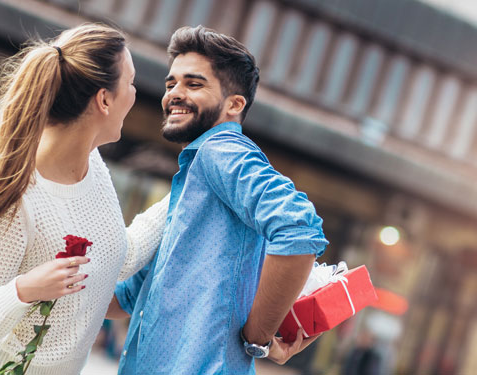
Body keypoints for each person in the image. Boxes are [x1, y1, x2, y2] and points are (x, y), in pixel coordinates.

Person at [0, 23, 168, 375]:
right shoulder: (19, 195)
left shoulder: (93, 167)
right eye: (131, 83)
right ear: (104, 100)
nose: (136, 95)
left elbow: (117, 257)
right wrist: (25, 289)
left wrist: (185, 193)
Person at [107, 26, 329, 374]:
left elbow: (298, 229)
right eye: (171, 84)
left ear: (234, 104)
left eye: (194, 84)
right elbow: (125, 298)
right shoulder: (195, 180)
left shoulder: (220, 151)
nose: (174, 95)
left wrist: (258, 337)